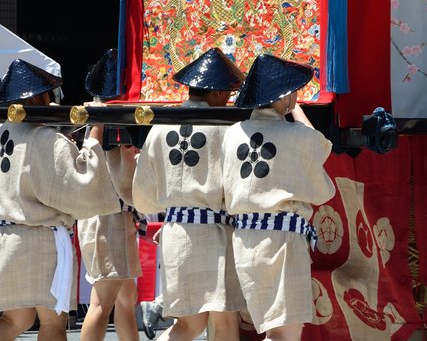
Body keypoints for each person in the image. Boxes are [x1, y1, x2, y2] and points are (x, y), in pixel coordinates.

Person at [0, 59, 121, 341]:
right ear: (40, 98)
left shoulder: (3, 131)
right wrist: (95, 131)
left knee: (15, 318)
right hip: (38, 239)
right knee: (52, 321)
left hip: (5, 237)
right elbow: (81, 183)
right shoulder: (45, 140)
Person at [133, 47, 247, 341]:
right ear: (219, 94)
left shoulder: (160, 125)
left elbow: (144, 190)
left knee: (188, 325)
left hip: (177, 231)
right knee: (223, 322)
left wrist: (171, 211)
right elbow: (238, 186)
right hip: (214, 232)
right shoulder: (227, 128)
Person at [223, 54, 335, 341]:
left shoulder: (233, 133)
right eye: (293, 91)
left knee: (276, 331)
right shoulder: (295, 136)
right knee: (285, 333)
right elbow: (320, 146)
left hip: (245, 241)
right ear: (283, 96)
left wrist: (288, 104)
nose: (297, 96)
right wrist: (295, 111)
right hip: (280, 243)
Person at [77, 50, 142, 341]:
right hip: (106, 217)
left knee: (127, 299)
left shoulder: (99, 121)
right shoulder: (100, 124)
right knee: (102, 303)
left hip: (115, 216)